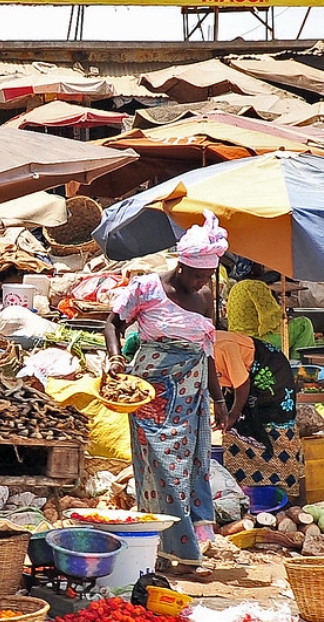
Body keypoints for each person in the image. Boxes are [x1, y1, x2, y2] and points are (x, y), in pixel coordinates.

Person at [104, 211, 229, 578]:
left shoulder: (204, 296)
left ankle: (161, 551)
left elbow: (205, 353)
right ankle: (184, 552)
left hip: (190, 401)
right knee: (161, 471)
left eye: (207, 277)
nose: (201, 283)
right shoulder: (147, 288)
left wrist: (218, 400)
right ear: (181, 265)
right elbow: (111, 323)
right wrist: (114, 358)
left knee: (189, 471)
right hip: (150, 397)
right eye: (197, 275)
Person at [213, 330, 302, 498]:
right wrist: (220, 408)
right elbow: (213, 382)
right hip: (240, 381)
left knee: (276, 423)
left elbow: (242, 385)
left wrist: (233, 414)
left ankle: (286, 493)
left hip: (270, 370)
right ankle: (242, 491)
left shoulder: (222, 348)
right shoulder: (196, 355)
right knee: (235, 430)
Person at [226, 263, 317, 358]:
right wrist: (284, 316)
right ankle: (298, 365)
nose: (263, 267)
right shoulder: (257, 287)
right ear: (252, 268)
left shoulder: (236, 287)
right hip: (257, 340)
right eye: (259, 265)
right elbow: (272, 321)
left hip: (237, 338)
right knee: (304, 324)